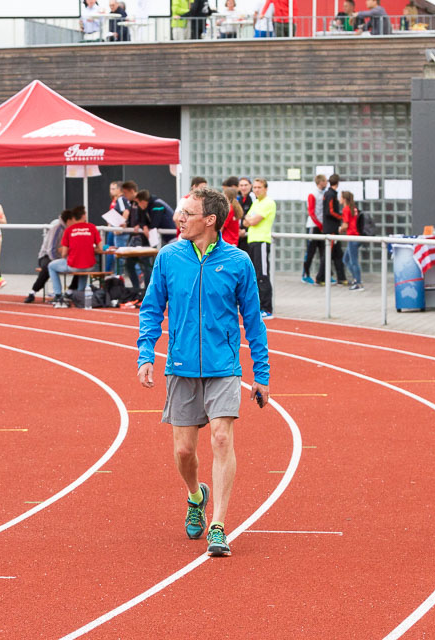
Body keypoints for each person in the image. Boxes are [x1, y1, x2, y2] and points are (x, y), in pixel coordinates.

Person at [136, 187, 270, 558]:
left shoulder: (239, 262)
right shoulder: (168, 257)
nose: (179, 218)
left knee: (223, 439)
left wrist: (262, 373)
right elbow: (151, 309)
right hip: (180, 367)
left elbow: (254, 322)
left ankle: (219, 526)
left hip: (223, 367)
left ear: (209, 220)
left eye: (187, 213)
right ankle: (197, 495)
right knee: (183, 450)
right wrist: (145, 353)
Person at [47, 206, 103, 308]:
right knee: (84, 267)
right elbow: (100, 248)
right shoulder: (92, 228)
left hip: (74, 265)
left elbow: (64, 253)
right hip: (89, 265)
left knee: (51, 266)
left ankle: (58, 295)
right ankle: (80, 294)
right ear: (83, 216)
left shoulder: (69, 230)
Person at [243, 178, 276, 318]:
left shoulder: (268, 203)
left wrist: (250, 220)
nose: (256, 190)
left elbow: (253, 220)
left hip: (261, 241)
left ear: (265, 188)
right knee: (255, 275)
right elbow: (246, 221)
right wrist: (249, 220)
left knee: (262, 275)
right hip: (252, 240)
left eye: (259, 187)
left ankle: (267, 308)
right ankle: (259, 306)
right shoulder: (256, 203)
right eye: (255, 187)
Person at [24, 208, 73, 304]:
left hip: (63, 256)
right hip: (46, 256)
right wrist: (56, 261)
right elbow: (51, 249)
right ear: (68, 221)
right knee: (47, 266)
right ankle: (33, 292)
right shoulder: (57, 229)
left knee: (81, 265)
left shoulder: (71, 229)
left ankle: (70, 291)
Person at [121, 180, 153, 295]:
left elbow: (146, 219)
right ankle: (136, 289)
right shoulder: (131, 204)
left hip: (142, 239)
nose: (125, 196)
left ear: (132, 191)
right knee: (129, 264)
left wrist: (141, 225)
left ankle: (147, 291)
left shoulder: (142, 202)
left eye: (125, 193)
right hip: (133, 238)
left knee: (146, 265)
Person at [318, 173, 348, 286]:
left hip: (333, 229)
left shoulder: (329, 194)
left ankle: (341, 277)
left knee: (337, 254)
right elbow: (329, 212)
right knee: (328, 255)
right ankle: (320, 277)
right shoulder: (331, 194)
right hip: (331, 229)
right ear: (338, 183)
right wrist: (341, 217)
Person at [302, 173, 327, 284]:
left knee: (324, 252)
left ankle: (325, 275)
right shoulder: (312, 194)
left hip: (321, 226)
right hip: (313, 226)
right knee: (310, 252)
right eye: (325, 181)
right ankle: (305, 274)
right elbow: (311, 212)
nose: (326, 183)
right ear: (320, 182)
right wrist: (320, 225)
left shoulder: (324, 194)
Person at [103, 180, 131, 274]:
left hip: (119, 231)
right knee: (113, 250)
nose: (111, 191)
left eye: (113, 189)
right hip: (114, 229)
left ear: (120, 189)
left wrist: (121, 224)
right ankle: (112, 272)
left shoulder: (121, 199)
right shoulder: (116, 200)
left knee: (118, 254)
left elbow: (126, 211)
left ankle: (117, 275)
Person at [339, 190, 365, 290]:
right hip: (357, 236)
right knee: (345, 259)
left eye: (340, 197)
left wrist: (340, 229)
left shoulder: (346, 209)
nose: (339, 199)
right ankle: (356, 278)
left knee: (353, 261)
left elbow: (345, 225)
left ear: (344, 199)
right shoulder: (354, 208)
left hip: (353, 237)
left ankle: (358, 283)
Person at [235, 177, 254, 253]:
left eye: (246, 185)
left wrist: (245, 230)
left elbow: (253, 218)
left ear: (250, 186)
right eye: (241, 185)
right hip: (240, 236)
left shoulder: (253, 198)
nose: (243, 188)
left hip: (250, 236)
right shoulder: (238, 199)